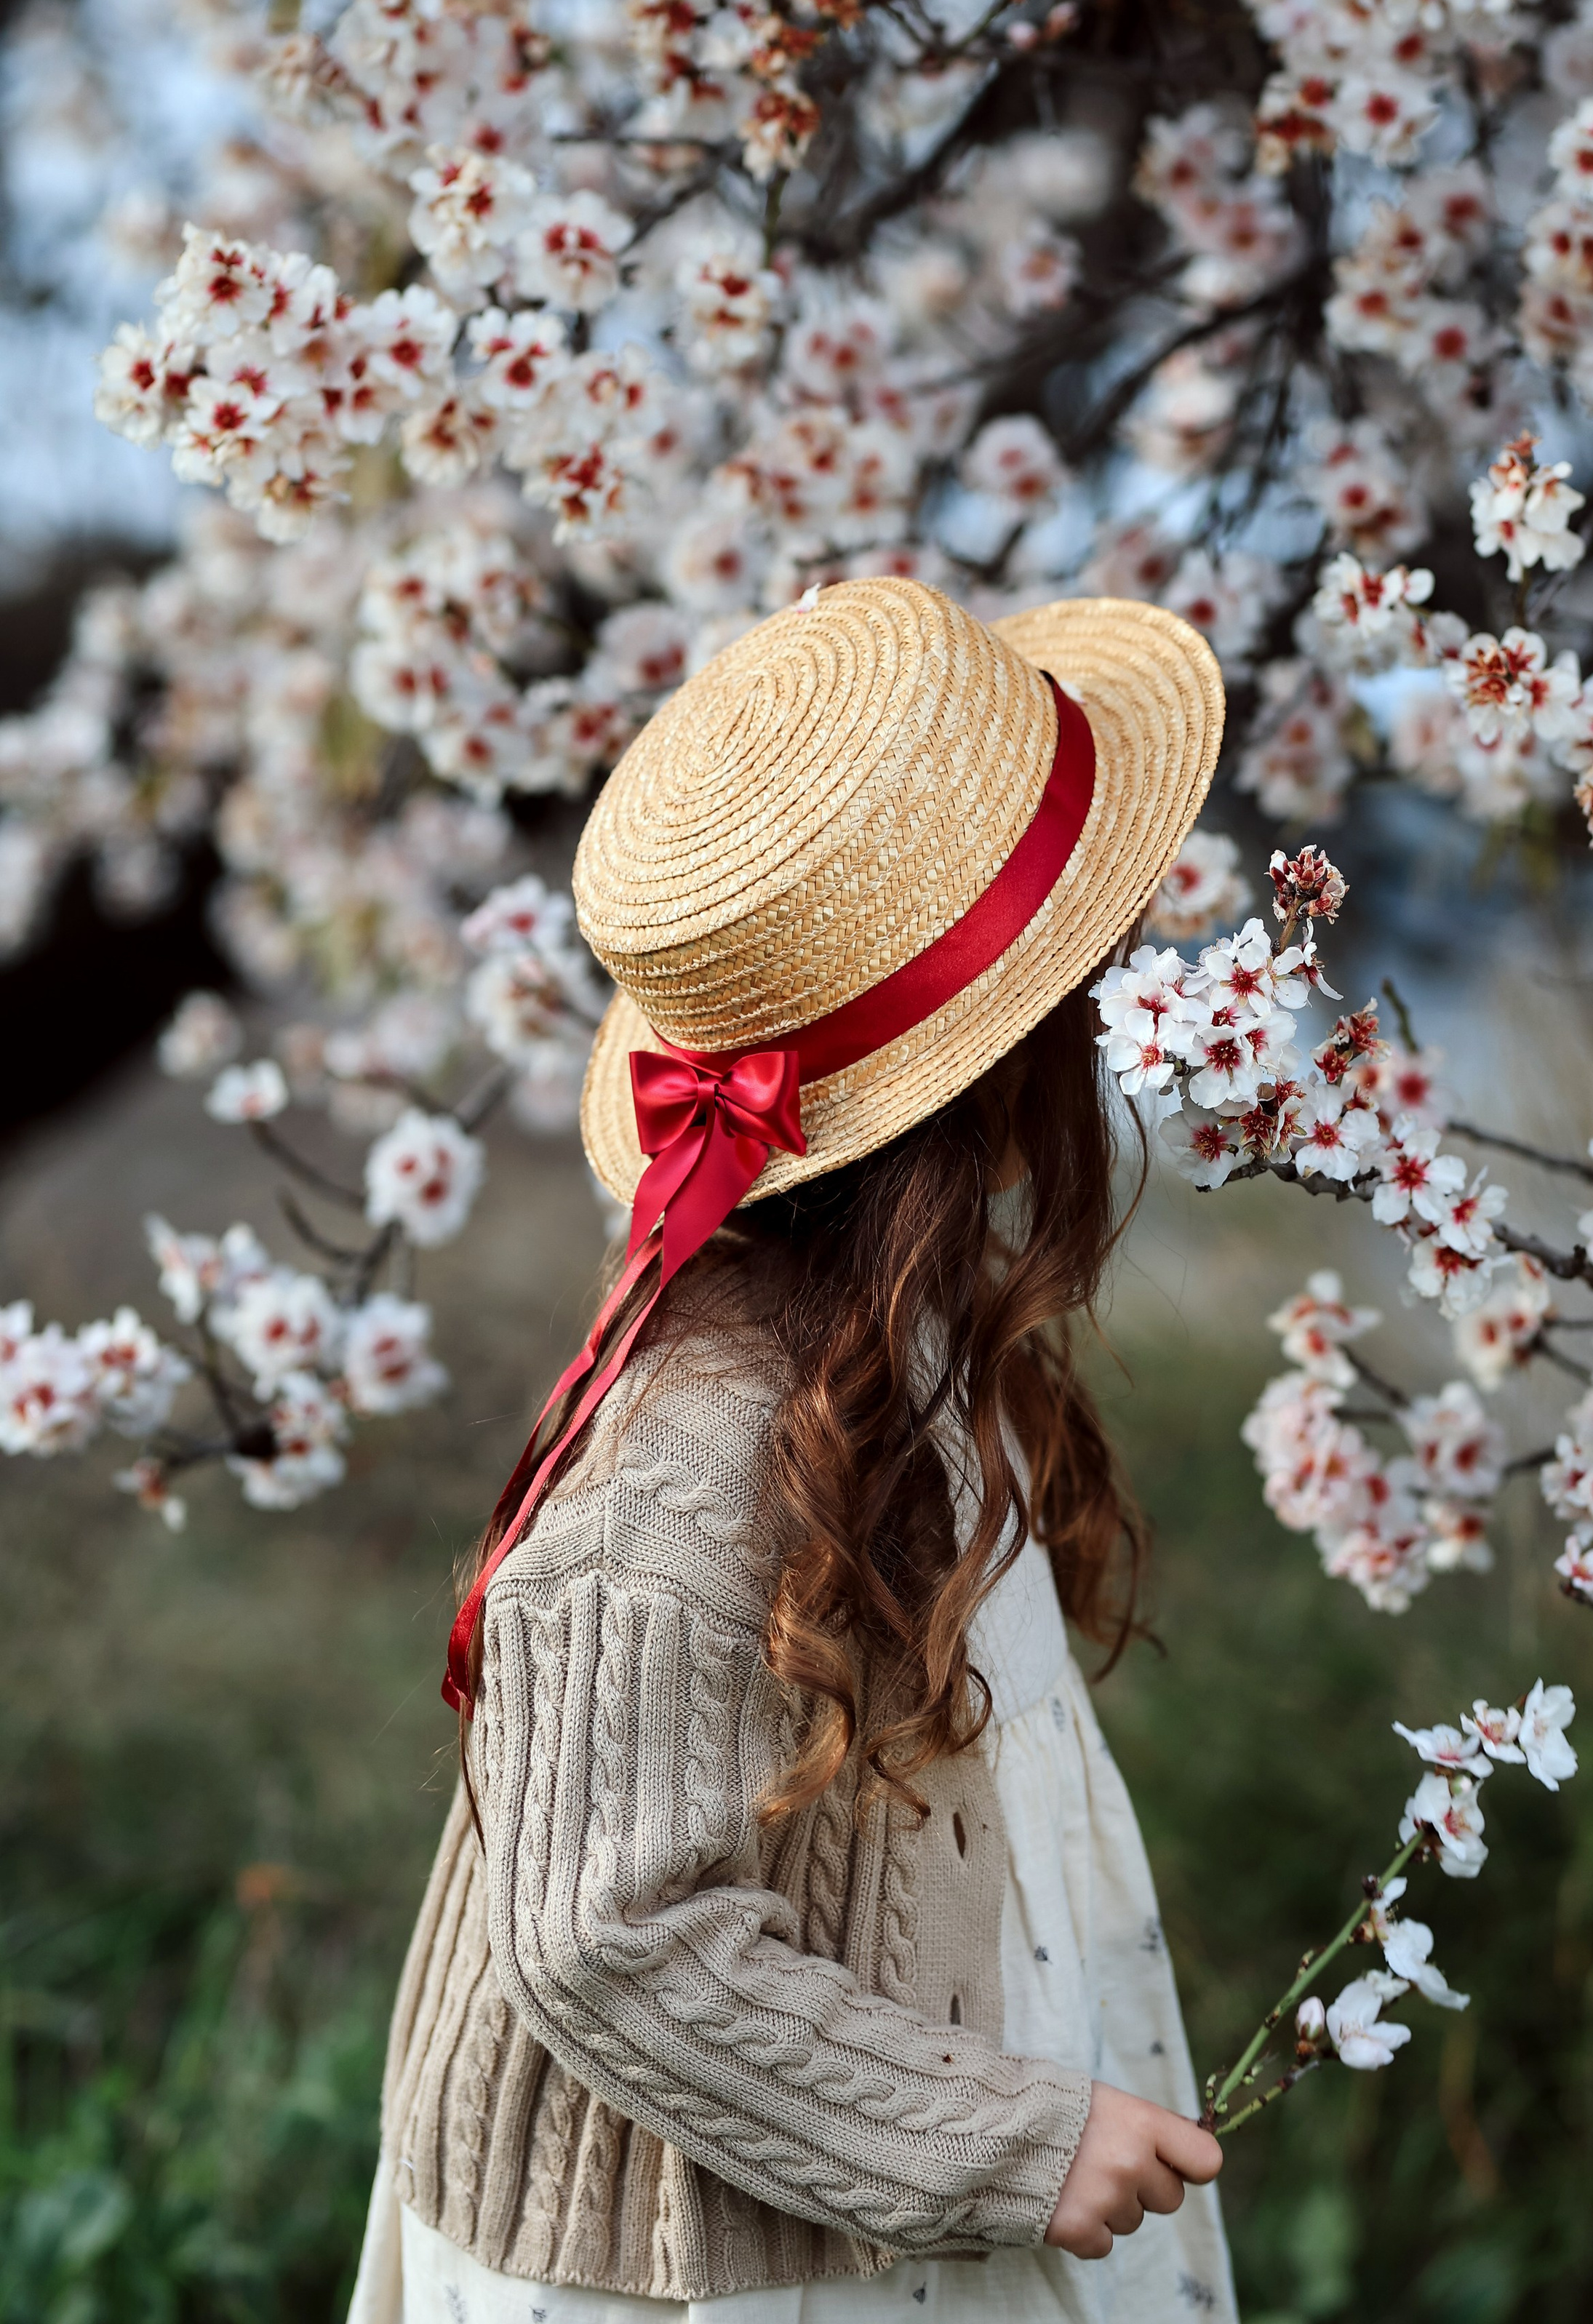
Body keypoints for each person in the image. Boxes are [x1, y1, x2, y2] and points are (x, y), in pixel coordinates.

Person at [347, 577, 1238, 2323]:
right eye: (1084, 980)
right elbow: (601, 1939)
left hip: (915, 2093)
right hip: (733, 2245)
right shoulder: (687, 1478)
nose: (1122, 1007)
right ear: (990, 1079)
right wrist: (1005, 2139)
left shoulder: (892, 1355)